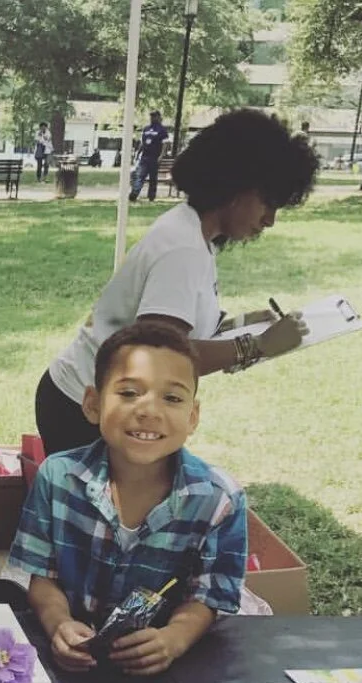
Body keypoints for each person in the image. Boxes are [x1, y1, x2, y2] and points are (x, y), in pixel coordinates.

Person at [35, 108, 319, 456]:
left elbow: (175, 332)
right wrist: (256, 345)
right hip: (84, 412)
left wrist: (241, 325)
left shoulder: (195, 234)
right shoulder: (183, 249)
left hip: (102, 403)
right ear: (235, 188)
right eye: (268, 203)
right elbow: (161, 359)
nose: (270, 220)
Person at [8, 321, 247, 677]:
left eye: (172, 398)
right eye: (129, 393)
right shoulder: (57, 477)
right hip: (73, 666)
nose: (149, 410)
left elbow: (208, 597)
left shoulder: (218, 499)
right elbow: (41, 576)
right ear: (92, 404)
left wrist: (174, 639)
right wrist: (58, 623)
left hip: (169, 675)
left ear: (192, 416)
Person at [129, 109, 170, 202]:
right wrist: (138, 153)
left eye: (154, 116)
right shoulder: (146, 129)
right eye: (151, 116)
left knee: (153, 178)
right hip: (145, 157)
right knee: (140, 175)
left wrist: (161, 156)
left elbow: (165, 144)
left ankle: (151, 196)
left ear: (159, 117)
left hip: (155, 157)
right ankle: (134, 194)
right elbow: (142, 143)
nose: (152, 118)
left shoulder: (162, 130)